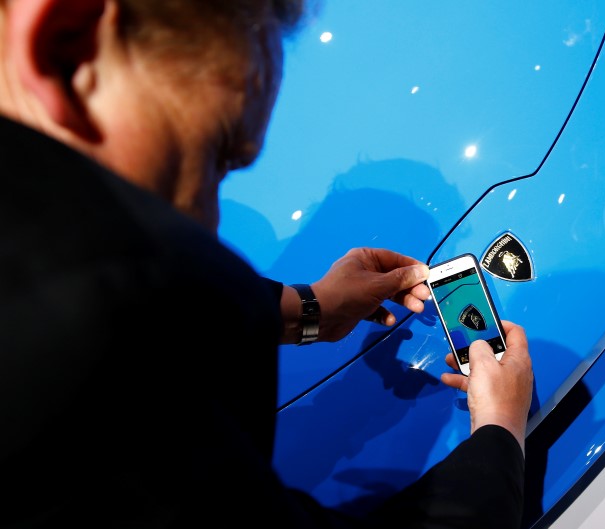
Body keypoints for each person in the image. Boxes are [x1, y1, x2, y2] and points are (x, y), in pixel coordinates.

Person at [0, 1, 534, 528]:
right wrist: (500, 435)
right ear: (66, 44)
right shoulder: (78, 375)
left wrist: (307, 309)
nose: (210, 225)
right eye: (215, 153)